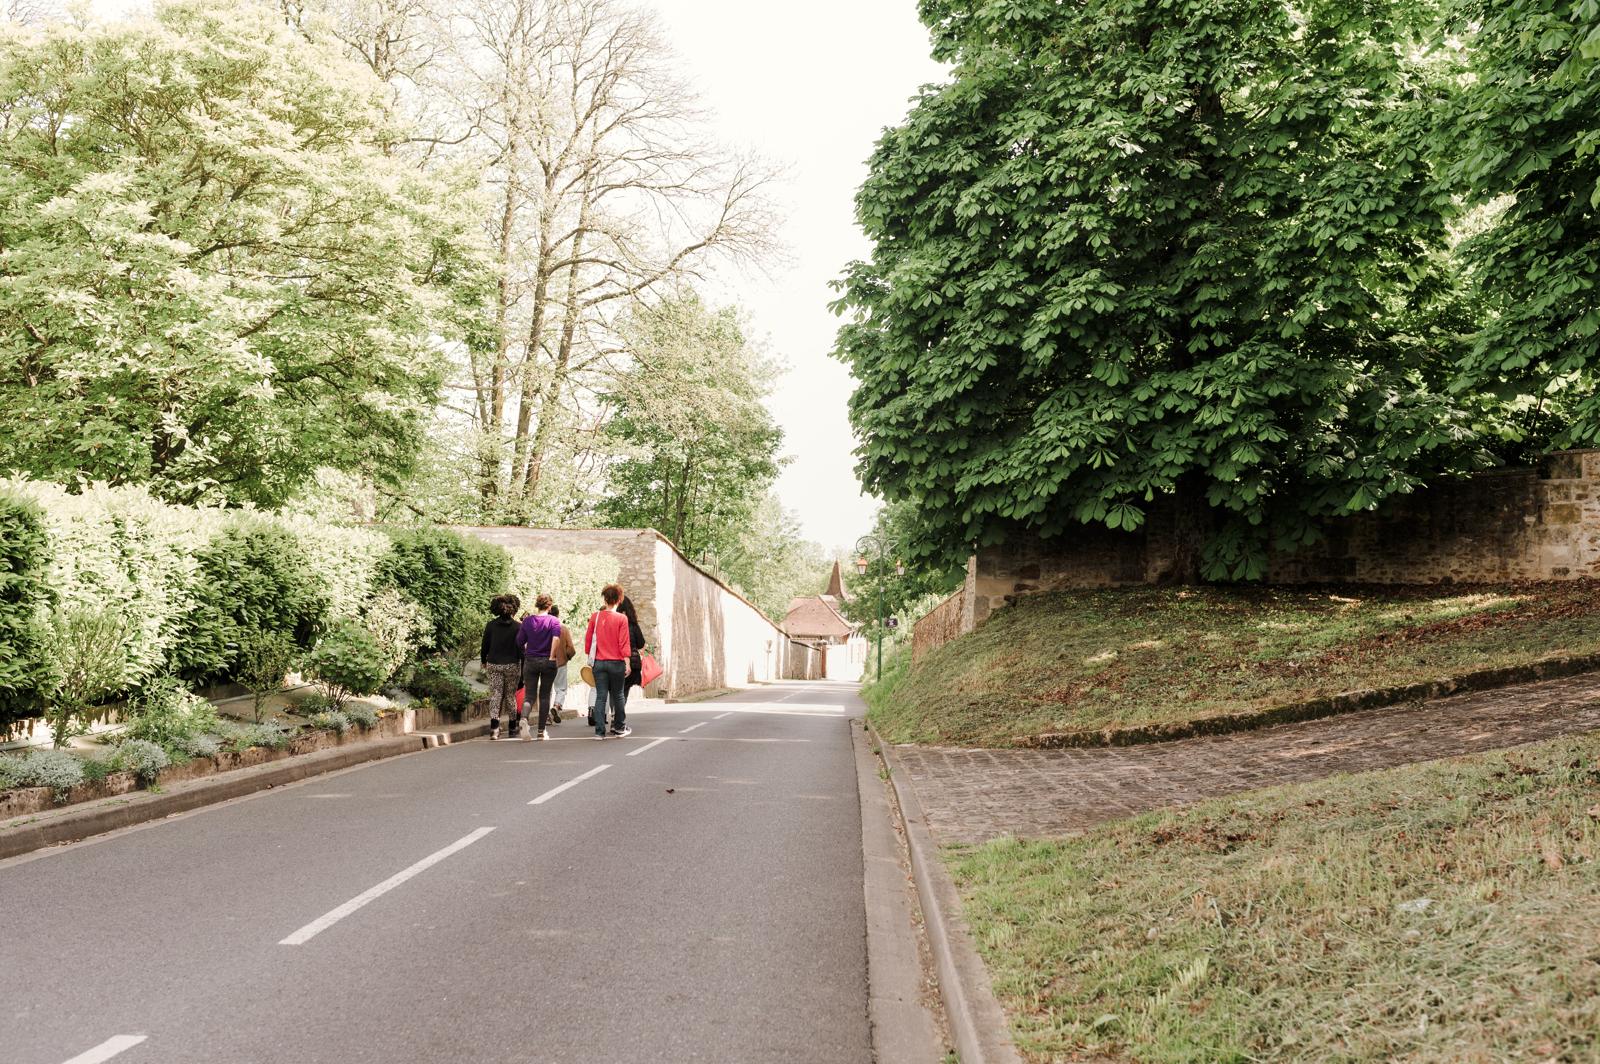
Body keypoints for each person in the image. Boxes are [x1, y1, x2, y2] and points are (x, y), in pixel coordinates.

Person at [584, 584, 633, 739]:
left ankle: (599, 732)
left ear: (605, 599)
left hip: (599, 663)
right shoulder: (622, 618)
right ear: (619, 600)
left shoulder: (595, 617)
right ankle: (619, 728)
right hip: (617, 663)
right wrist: (628, 663)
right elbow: (624, 642)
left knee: (600, 696)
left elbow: (588, 641)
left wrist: (590, 655)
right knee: (618, 695)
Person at [517, 594, 564, 740]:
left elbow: (519, 641)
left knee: (529, 695)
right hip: (547, 661)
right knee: (544, 696)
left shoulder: (527, 621)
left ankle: (524, 718)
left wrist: (527, 649)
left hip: (530, 661)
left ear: (537, 605)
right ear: (549, 606)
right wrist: (551, 656)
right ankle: (541, 731)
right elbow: (556, 638)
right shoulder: (554, 621)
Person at [479, 594, 522, 741]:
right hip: (512, 664)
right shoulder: (518, 627)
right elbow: (520, 648)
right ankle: (512, 727)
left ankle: (494, 728)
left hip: (494, 663)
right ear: (513, 609)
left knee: (496, 694)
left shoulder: (491, 625)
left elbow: (485, 645)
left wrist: (483, 659)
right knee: (510, 696)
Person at [547, 604, 576, 724]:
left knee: (546, 690)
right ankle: (557, 706)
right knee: (561, 688)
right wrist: (567, 657)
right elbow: (570, 648)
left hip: (546, 662)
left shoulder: (543, 628)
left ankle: (546, 716)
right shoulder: (563, 628)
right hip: (560, 663)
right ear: (558, 614)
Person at [617, 595, 648, 708]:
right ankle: (618, 714)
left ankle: (615, 712)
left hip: (617, 661)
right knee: (624, 690)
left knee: (616, 690)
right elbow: (641, 644)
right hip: (633, 663)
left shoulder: (615, 624)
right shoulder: (634, 626)